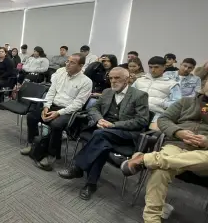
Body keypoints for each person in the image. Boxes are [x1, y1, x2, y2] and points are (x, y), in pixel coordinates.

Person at [121, 80, 208, 223]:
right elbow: (163, 119)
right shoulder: (185, 102)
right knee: (161, 171)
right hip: (177, 145)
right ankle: (151, 218)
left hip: (203, 154)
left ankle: (146, 159)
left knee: (161, 163)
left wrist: (206, 141)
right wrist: (178, 132)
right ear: (204, 83)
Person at [57, 67, 149, 200]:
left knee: (99, 135)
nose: (113, 81)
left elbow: (142, 120)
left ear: (127, 79)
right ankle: (90, 184)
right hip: (104, 129)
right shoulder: (107, 92)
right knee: (102, 145)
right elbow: (94, 108)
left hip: (125, 133)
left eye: (117, 78)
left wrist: (113, 125)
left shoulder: (139, 95)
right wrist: (99, 119)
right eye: (111, 78)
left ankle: (78, 167)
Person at [21, 54, 92, 171]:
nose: (67, 64)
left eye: (72, 62)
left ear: (81, 66)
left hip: (68, 111)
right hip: (52, 106)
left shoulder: (86, 82)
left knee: (56, 125)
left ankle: (51, 155)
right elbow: (51, 92)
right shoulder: (60, 72)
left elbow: (78, 104)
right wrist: (46, 107)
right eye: (67, 61)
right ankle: (32, 144)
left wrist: (58, 113)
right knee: (32, 116)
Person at [133, 56, 181, 130]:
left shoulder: (172, 84)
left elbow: (177, 104)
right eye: (150, 67)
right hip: (135, 113)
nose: (153, 70)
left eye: (156, 67)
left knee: (152, 135)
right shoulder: (139, 80)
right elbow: (129, 96)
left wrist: (160, 103)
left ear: (164, 67)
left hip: (156, 116)